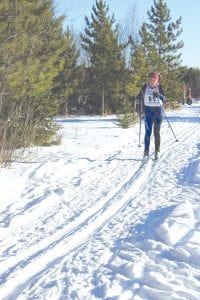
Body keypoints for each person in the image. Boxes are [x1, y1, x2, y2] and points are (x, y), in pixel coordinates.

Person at [136, 71, 166, 159]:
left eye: (154, 79)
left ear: (157, 80)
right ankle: (146, 152)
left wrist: (159, 95)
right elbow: (138, 97)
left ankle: (157, 151)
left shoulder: (159, 87)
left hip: (158, 112)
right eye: (150, 79)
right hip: (147, 112)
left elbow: (165, 99)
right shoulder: (145, 87)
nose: (152, 81)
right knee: (147, 132)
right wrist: (138, 98)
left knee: (156, 132)